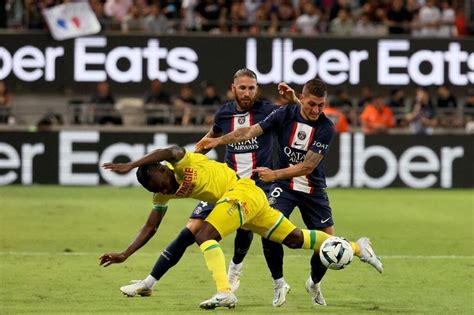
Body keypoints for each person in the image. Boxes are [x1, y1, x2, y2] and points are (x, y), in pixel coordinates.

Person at [100, 146, 383, 309]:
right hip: (244, 203)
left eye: (157, 181)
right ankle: (359, 247)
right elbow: (150, 226)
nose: (160, 187)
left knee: (204, 235)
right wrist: (125, 254)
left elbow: (170, 150)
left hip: (241, 192)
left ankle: (225, 291)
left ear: (162, 168)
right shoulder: (163, 193)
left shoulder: (181, 164)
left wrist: (131, 164)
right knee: (295, 239)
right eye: (152, 188)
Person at [111, 69, 286, 305]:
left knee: (254, 231)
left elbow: (295, 116)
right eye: (242, 87)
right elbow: (151, 226)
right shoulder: (224, 113)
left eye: (251, 88)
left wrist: (131, 164)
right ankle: (149, 283)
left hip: (254, 183)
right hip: (225, 185)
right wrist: (201, 148)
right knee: (189, 232)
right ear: (233, 88)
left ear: (257, 89)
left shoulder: (268, 111)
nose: (246, 92)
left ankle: (239, 271)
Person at [196, 79, 359, 306]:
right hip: (285, 188)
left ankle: (314, 282)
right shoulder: (283, 114)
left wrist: (273, 175)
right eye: (311, 104)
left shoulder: (326, 128)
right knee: (270, 230)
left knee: (327, 243)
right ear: (302, 98)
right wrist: (217, 140)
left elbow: (307, 167)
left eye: (321, 105)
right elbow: (249, 132)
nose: (316, 109)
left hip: (313, 189)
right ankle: (279, 283)